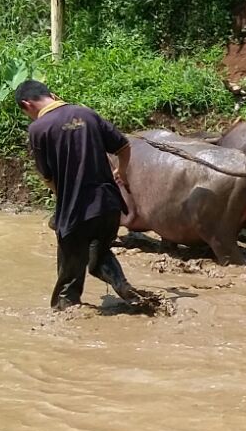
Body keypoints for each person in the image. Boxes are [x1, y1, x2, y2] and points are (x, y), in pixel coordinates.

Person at [15, 80, 147, 311]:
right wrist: (121, 171)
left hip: (76, 211)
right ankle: (123, 286)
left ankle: (67, 313)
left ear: (27, 104)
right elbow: (123, 146)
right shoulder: (86, 113)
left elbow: (47, 176)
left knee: (68, 282)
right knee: (99, 257)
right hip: (109, 206)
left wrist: (63, 202)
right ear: (52, 94)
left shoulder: (38, 129)